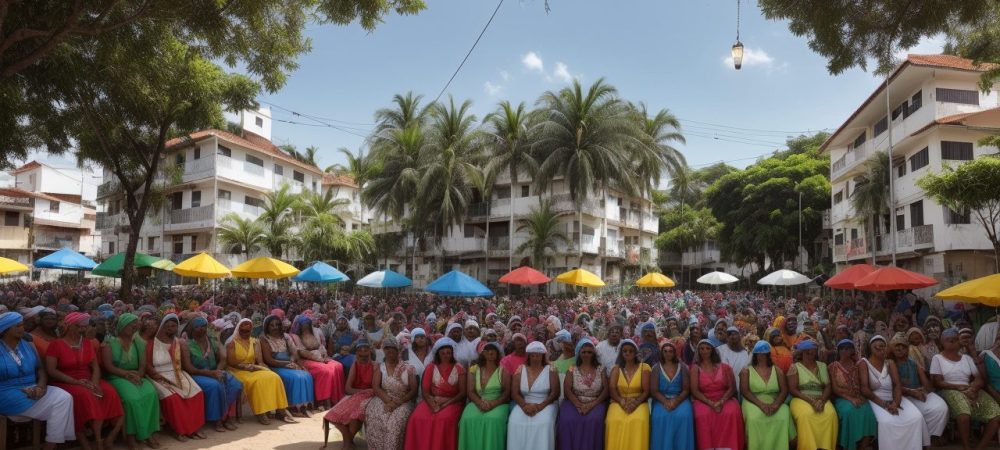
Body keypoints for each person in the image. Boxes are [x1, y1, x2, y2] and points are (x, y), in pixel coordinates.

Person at [46, 311, 124, 450]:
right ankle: (90, 442)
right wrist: (76, 382)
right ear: (69, 326)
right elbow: (52, 370)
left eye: (84, 326)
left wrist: (94, 383)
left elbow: (95, 367)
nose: (82, 329)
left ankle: (103, 437)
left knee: (109, 391)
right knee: (85, 396)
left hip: (88, 379)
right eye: (79, 326)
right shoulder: (56, 344)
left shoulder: (87, 343)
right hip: (65, 381)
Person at [0, 312, 76, 450]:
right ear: (5, 329)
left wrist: (41, 387)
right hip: (6, 392)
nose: (21, 328)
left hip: (33, 387)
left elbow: (40, 369)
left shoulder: (27, 344)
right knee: (56, 407)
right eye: (17, 326)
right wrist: (24, 391)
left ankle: (50, 444)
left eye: (22, 325)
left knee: (65, 397)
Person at [931, 327, 1000, 450]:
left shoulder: (966, 358)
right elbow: (938, 382)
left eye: (955, 339)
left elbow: (978, 378)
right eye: (948, 339)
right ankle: (966, 447)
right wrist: (959, 387)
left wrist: (973, 388)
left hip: (969, 388)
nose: (952, 341)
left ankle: (980, 447)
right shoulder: (937, 358)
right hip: (948, 389)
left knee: (997, 414)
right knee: (964, 414)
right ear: (942, 342)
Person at [101, 313, 161, 450]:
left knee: (151, 394)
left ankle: (147, 434)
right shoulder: (109, 343)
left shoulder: (139, 343)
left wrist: (138, 375)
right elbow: (108, 366)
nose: (134, 327)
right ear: (122, 326)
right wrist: (127, 374)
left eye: (135, 324)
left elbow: (142, 365)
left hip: (137, 376)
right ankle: (131, 437)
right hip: (117, 377)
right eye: (130, 324)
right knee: (132, 399)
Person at [858, 335, 929, 450]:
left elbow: (896, 385)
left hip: (894, 397)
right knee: (886, 422)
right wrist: (884, 404)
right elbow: (865, 389)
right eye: (877, 346)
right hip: (875, 399)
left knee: (916, 417)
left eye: (883, 346)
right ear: (870, 348)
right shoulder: (864, 363)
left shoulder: (890, 363)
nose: (881, 348)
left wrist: (896, 403)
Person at [146, 314, 206, 441]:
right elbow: (147, 364)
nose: (171, 329)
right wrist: (155, 374)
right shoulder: (151, 343)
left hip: (176, 372)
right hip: (158, 375)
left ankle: (193, 428)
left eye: (174, 326)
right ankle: (178, 430)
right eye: (167, 326)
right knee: (172, 398)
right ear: (162, 327)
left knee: (197, 393)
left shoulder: (178, 342)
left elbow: (184, 365)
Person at [226, 318, 295, 425]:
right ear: (238, 330)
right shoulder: (232, 343)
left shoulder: (254, 341)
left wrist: (264, 368)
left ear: (251, 330)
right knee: (256, 381)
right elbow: (231, 362)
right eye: (243, 331)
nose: (245, 333)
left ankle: (281, 410)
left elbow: (260, 361)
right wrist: (245, 367)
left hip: (253, 368)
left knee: (274, 376)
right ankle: (260, 412)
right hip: (237, 370)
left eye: (248, 331)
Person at [182, 316, 243, 433]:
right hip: (197, 374)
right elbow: (189, 368)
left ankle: (226, 415)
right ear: (191, 329)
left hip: (214, 371)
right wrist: (210, 373)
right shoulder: (186, 344)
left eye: (204, 326)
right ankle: (218, 420)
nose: (201, 329)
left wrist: (217, 371)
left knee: (235, 384)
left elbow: (223, 359)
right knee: (215, 386)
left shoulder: (212, 340)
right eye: (197, 327)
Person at [404, 337, 466, 450]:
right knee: (417, 417)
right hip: (432, 400)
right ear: (438, 354)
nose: (446, 355)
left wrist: (447, 403)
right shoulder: (431, 367)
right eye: (443, 353)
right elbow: (425, 391)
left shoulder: (459, 368)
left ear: (452, 353)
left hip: (453, 402)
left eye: (448, 353)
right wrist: (433, 404)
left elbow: (462, 393)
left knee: (443, 419)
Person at [890, 333, 948, 443]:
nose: (900, 348)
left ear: (907, 348)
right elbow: (892, 386)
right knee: (914, 415)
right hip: (899, 397)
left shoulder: (913, 363)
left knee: (940, 408)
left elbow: (928, 387)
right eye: (897, 346)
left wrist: (922, 383)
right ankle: (915, 440)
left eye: (903, 346)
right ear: (892, 348)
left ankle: (930, 437)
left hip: (917, 394)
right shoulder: (889, 363)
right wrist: (911, 392)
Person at [740, 340, 795, 450]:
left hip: (774, 400)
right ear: (755, 354)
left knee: (784, 413)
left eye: (764, 353)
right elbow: (745, 391)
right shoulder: (746, 371)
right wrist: (761, 405)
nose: (762, 356)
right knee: (753, 417)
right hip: (753, 401)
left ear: (768, 354)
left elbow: (784, 390)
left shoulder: (777, 370)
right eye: (759, 353)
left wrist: (776, 405)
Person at [365, 337, 417, 450]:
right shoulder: (380, 367)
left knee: (394, 425)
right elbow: (376, 387)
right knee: (376, 418)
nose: (390, 351)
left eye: (392, 348)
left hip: (404, 401)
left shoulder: (407, 368)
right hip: (384, 398)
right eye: (387, 348)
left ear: (398, 350)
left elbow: (413, 390)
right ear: (383, 350)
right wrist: (388, 401)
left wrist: (398, 402)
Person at [690, 338, 744, 450]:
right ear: (698, 351)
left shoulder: (725, 367)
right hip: (703, 399)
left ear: (712, 350)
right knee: (702, 415)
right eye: (702, 349)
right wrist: (710, 403)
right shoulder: (695, 369)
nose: (705, 351)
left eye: (707, 348)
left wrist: (721, 401)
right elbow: (695, 391)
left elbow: (732, 387)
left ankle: (730, 447)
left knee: (732, 412)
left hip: (724, 398)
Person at [322, 340, 376, 450]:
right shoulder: (355, 365)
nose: (363, 355)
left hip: (370, 397)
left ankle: (347, 444)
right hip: (358, 395)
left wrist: (365, 392)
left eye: (366, 352)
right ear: (356, 354)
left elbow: (375, 389)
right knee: (332, 415)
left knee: (355, 416)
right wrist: (362, 391)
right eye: (360, 354)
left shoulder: (375, 366)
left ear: (370, 353)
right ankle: (348, 442)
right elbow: (348, 388)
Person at [507, 341, 559, 450]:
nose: (535, 358)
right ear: (529, 356)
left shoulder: (551, 369)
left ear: (543, 356)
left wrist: (540, 406)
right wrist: (524, 405)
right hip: (524, 403)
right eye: (533, 355)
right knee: (514, 420)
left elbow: (555, 393)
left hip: (546, 403)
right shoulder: (520, 368)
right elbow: (514, 393)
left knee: (544, 422)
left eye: (538, 355)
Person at [557, 339, 608, 450]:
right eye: (584, 352)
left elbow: (605, 390)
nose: (586, 354)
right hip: (574, 401)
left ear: (594, 354)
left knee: (594, 420)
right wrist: (578, 405)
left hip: (596, 401)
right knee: (567, 419)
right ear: (579, 353)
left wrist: (591, 405)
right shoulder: (572, 369)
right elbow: (567, 390)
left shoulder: (601, 369)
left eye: (589, 352)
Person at [260, 315, 314, 417]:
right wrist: (287, 364)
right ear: (267, 327)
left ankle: (305, 407)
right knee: (295, 377)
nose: (275, 327)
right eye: (272, 325)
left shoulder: (286, 337)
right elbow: (269, 360)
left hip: (289, 364)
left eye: (277, 324)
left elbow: (294, 353)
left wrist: (296, 362)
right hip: (275, 366)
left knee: (306, 375)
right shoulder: (264, 339)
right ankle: (293, 407)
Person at [459, 342, 510, 450]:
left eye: (493, 353)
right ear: (484, 354)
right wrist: (480, 403)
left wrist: (493, 403)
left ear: (497, 355)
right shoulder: (474, 370)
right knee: (467, 418)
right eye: (488, 353)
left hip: (498, 403)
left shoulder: (503, 370)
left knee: (493, 419)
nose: (490, 355)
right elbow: (471, 391)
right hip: (479, 401)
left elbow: (506, 393)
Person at [788, 338, 837, 450]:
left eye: (813, 352)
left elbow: (828, 386)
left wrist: (821, 400)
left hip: (821, 397)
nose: (811, 354)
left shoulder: (822, 366)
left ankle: (826, 447)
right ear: (802, 353)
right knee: (806, 415)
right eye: (808, 352)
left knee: (831, 414)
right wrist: (811, 401)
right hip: (801, 398)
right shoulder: (795, 367)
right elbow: (793, 389)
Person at [829, 339, 876, 450]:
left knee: (868, 410)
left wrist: (859, 397)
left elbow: (862, 384)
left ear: (852, 350)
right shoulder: (833, 366)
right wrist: (850, 398)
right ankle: (850, 445)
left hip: (858, 396)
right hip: (842, 397)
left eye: (849, 348)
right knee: (849, 411)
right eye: (843, 349)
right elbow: (835, 389)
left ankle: (864, 444)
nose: (846, 351)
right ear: (839, 351)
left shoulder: (857, 365)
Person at [290, 315, 345, 409]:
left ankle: (335, 398)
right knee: (325, 370)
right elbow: (301, 352)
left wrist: (324, 356)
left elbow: (320, 347)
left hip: (320, 357)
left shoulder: (314, 333)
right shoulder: (295, 336)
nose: (306, 326)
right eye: (304, 324)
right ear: (299, 326)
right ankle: (323, 400)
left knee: (338, 366)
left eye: (308, 324)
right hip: (305, 360)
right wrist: (319, 359)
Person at [605, 339, 650, 449]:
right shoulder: (616, 369)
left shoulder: (644, 367)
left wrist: (635, 403)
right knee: (613, 420)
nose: (628, 353)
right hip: (618, 400)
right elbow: (612, 389)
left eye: (631, 351)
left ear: (635, 353)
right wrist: (621, 401)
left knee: (639, 420)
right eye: (625, 351)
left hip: (639, 401)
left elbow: (646, 391)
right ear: (621, 353)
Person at [649, 341, 694, 450]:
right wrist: (665, 401)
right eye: (665, 351)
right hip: (661, 399)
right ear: (662, 353)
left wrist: (676, 401)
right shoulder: (656, 368)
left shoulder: (682, 367)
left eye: (670, 351)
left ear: (674, 353)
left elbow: (686, 389)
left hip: (680, 399)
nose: (668, 353)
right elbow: (654, 390)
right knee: (659, 416)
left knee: (685, 415)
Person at [718, 326, 750, 393]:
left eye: (735, 334)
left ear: (739, 337)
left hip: (742, 385)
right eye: (730, 335)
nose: (733, 337)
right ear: (727, 337)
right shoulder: (720, 350)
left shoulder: (744, 352)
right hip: (725, 386)